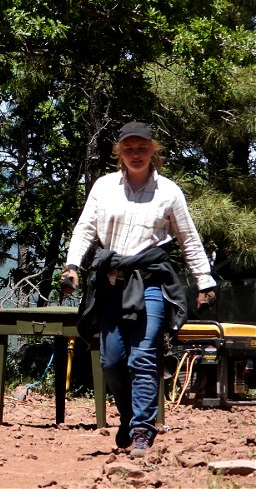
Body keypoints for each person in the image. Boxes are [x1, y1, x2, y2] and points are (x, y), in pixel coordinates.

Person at [61, 121, 217, 458]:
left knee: (144, 357)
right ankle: (130, 417)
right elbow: (85, 230)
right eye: (129, 148)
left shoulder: (169, 192)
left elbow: (189, 239)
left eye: (142, 147)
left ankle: (143, 430)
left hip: (150, 282)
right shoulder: (104, 187)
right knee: (112, 360)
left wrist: (204, 281)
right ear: (119, 152)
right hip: (111, 284)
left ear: (153, 149)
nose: (136, 153)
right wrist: (72, 266)